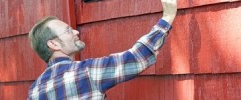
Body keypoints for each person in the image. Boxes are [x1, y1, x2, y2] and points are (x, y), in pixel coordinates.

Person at [27, 0, 177, 99]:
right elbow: (135, 59)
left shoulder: (34, 91)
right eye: (68, 31)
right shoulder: (86, 72)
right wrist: (167, 18)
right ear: (53, 44)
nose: (76, 32)